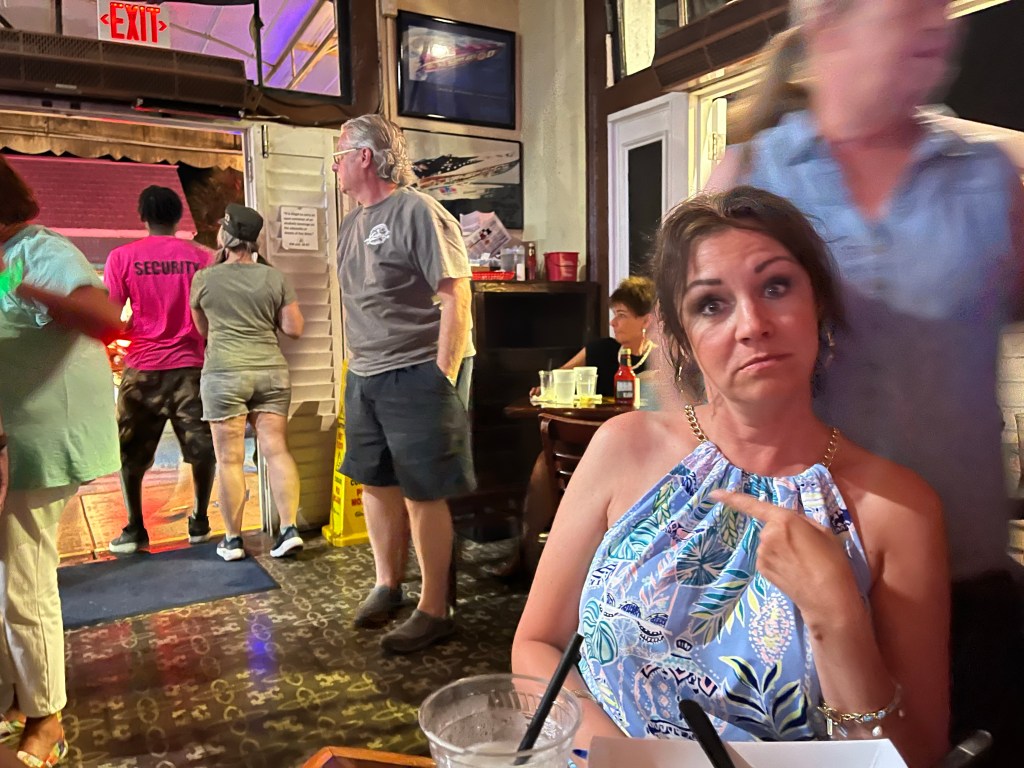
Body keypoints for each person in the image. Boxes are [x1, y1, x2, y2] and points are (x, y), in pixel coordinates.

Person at [512, 188, 950, 768]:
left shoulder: (896, 507)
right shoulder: (624, 446)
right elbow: (536, 645)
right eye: (711, 305)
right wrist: (627, 760)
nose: (753, 325)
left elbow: (914, 755)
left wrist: (837, 620)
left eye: (776, 287)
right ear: (680, 339)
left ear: (817, 304)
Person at [704, 2, 1024, 762]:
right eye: (911, 8)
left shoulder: (989, 178)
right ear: (830, 24)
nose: (940, 25)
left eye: (942, 9)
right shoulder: (750, 178)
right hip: (793, 591)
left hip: (967, 581)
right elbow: (690, 379)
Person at [334, 114, 475, 654]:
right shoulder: (351, 224)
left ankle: (436, 608)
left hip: (415, 370)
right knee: (375, 484)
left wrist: (441, 373)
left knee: (423, 491)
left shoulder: (417, 211)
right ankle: (387, 584)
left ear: (365, 157)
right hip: (365, 373)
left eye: (340, 155)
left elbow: (455, 295)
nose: (336, 166)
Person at [0, 156, 122, 767]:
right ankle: (13, 699)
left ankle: (46, 719)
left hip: (40, 446)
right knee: (7, 578)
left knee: (22, 580)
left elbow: (103, 317)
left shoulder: (36, 250)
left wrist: (25, 289)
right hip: (13, 445)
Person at [189, 204, 305, 562]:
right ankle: (289, 530)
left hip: (224, 374)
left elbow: (202, 330)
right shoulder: (275, 278)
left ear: (225, 235)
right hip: (270, 372)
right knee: (277, 450)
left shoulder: (204, 279)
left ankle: (233, 540)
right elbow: (294, 328)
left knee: (229, 460)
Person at [105, 186, 217, 555]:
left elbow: (111, 315)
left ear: (143, 216)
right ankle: (200, 520)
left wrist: (129, 330)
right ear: (178, 216)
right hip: (192, 368)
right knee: (202, 450)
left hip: (143, 369)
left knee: (129, 454)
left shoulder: (122, 258)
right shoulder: (203, 258)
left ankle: (135, 528)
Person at [532, 276, 656, 398]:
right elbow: (561, 375)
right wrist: (545, 388)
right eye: (614, 314)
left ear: (646, 321)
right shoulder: (600, 349)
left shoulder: (660, 358)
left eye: (622, 315)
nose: (612, 322)